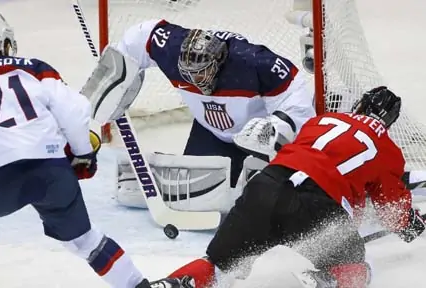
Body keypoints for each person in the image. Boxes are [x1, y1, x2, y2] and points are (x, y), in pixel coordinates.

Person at [0, 12, 153, 288]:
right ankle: (139, 285)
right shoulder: (34, 68)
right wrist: (83, 153)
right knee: (84, 240)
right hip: (50, 171)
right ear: (6, 42)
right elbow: (76, 111)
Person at [151, 86, 426, 288]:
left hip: (265, 185)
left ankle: (174, 284)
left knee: (219, 265)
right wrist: (412, 225)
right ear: (388, 121)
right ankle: (325, 282)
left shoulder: (322, 120)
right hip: (315, 206)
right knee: (355, 270)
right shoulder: (387, 148)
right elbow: (394, 212)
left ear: (360, 106)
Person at [110, 18, 316, 212]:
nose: (193, 79)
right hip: (210, 132)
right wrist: (113, 76)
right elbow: (139, 37)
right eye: (187, 73)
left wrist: (273, 128)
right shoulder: (170, 50)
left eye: (200, 73)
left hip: (253, 138)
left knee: (259, 199)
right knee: (195, 195)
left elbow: (296, 101)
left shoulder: (254, 62)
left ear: (218, 61)